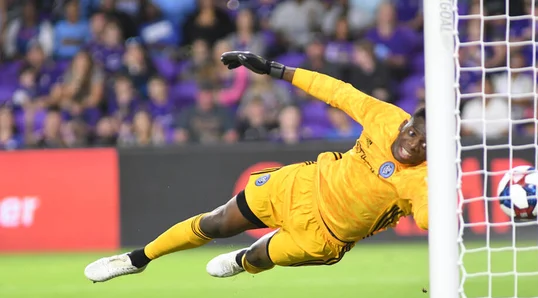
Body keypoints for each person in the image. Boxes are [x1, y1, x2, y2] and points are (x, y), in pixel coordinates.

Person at [84, 50, 428, 283]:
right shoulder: (387, 118)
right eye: (413, 132)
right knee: (218, 222)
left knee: (260, 257)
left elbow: (430, 221)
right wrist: (274, 69)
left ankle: (241, 261)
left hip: (324, 235)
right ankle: (135, 260)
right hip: (301, 186)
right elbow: (336, 91)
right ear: (405, 123)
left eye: (425, 144)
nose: (413, 143)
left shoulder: (425, 179)